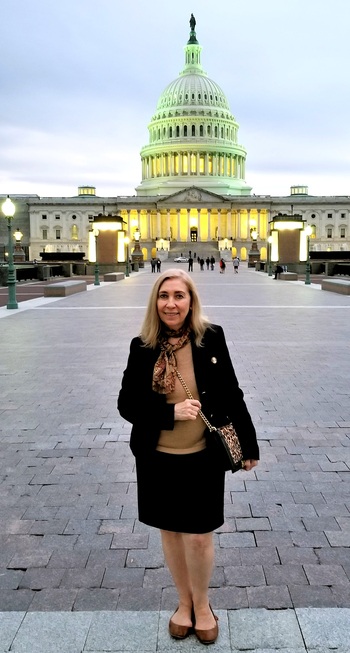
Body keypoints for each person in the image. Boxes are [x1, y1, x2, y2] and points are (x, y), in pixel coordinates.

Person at [118, 269, 259, 645]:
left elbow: (231, 391)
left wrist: (248, 444)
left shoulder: (211, 339)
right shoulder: (142, 346)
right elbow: (126, 404)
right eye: (164, 296)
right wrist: (169, 413)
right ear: (156, 302)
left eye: (179, 296)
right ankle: (183, 604)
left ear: (191, 301)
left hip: (203, 455)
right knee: (171, 533)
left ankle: (203, 603)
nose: (171, 303)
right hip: (157, 456)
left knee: (198, 537)